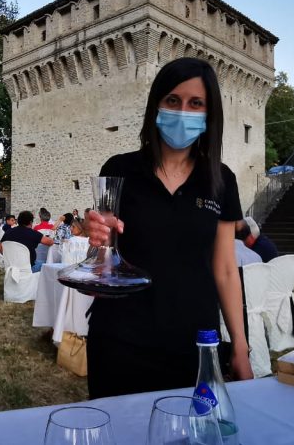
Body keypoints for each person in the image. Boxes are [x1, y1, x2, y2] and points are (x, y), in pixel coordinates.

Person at [84, 57, 253, 399]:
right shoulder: (120, 170)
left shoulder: (220, 180)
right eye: (173, 101)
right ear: (156, 105)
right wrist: (97, 239)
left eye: (196, 103)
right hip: (121, 340)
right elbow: (102, 263)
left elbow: (225, 270)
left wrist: (240, 347)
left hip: (195, 345)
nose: (183, 111)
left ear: (209, 114)